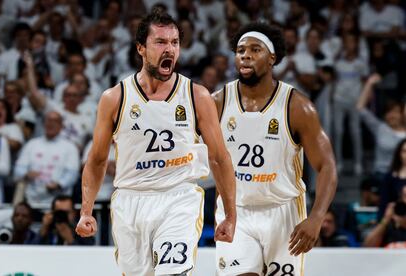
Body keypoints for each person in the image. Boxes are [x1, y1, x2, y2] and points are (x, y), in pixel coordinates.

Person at [75, 10, 236, 276]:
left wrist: (229, 214)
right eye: (161, 42)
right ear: (141, 48)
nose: (169, 49)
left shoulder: (197, 96)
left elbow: (220, 157)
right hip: (130, 201)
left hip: (178, 197)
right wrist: (86, 211)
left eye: (174, 42)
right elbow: (97, 159)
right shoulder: (115, 98)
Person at [212, 22, 337, 276]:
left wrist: (316, 218)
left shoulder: (297, 107)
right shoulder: (217, 102)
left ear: (272, 59)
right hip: (237, 212)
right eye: (240, 49)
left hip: (283, 212)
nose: (245, 54)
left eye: (255, 49)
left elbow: (327, 167)